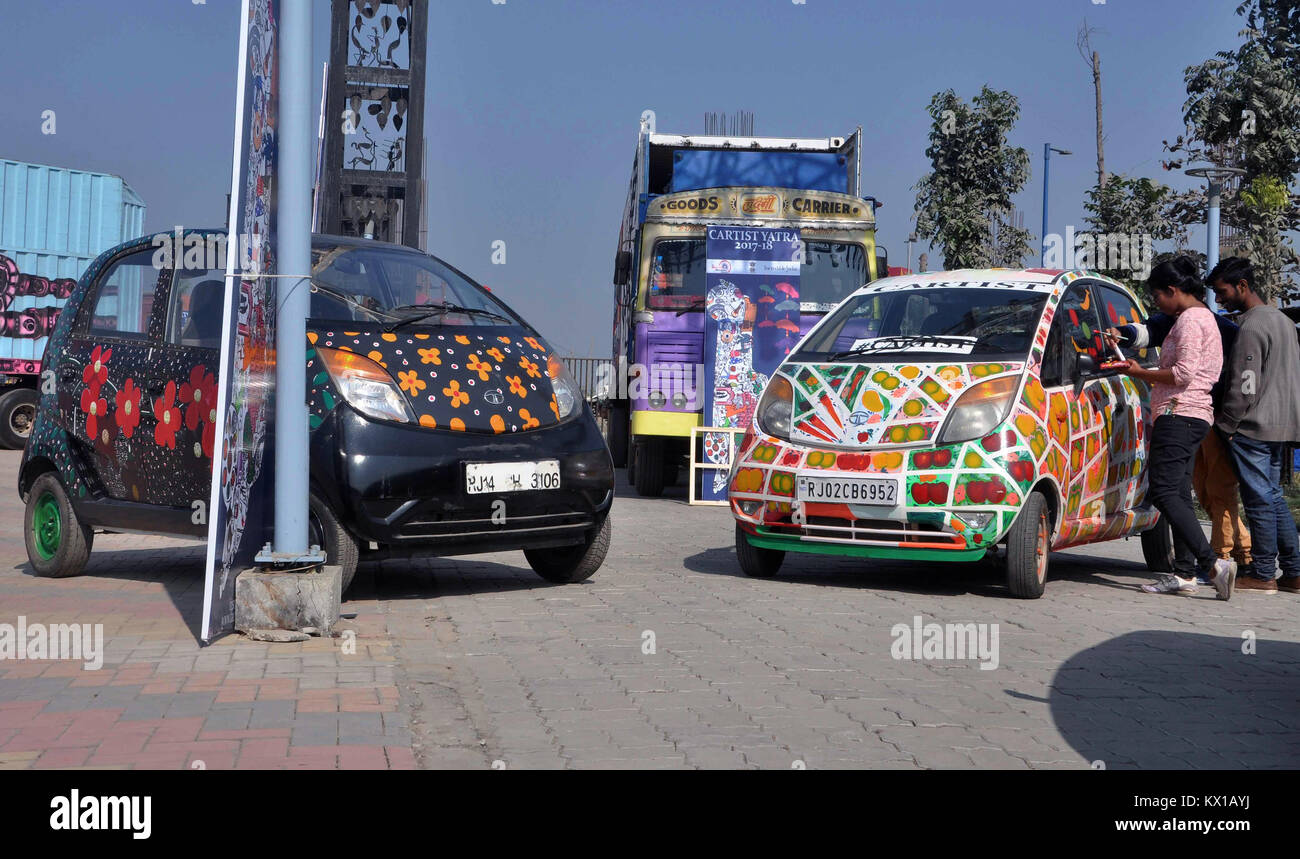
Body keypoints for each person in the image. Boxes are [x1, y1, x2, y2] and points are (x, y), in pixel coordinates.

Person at [1108, 295, 1253, 585]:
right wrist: (1123, 334)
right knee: (1182, 493)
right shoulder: (1203, 320)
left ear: (1174, 290)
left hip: (1180, 413)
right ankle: (1185, 573)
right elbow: (1149, 330)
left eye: (1159, 294)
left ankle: (1214, 564)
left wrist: (1140, 373)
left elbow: (1183, 373)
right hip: (1198, 414)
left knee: (1164, 491)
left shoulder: (1189, 320)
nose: (1157, 302)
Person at [1209, 257, 1300, 594]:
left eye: (1222, 292)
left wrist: (1227, 424)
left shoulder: (1251, 327)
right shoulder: (1284, 322)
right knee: (1273, 498)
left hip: (1252, 426)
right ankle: (1293, 572)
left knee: (1260, 501)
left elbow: (1245, 385)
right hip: (1283, 425)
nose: (1219, 300)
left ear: (1242, 287)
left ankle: (1263, 574)